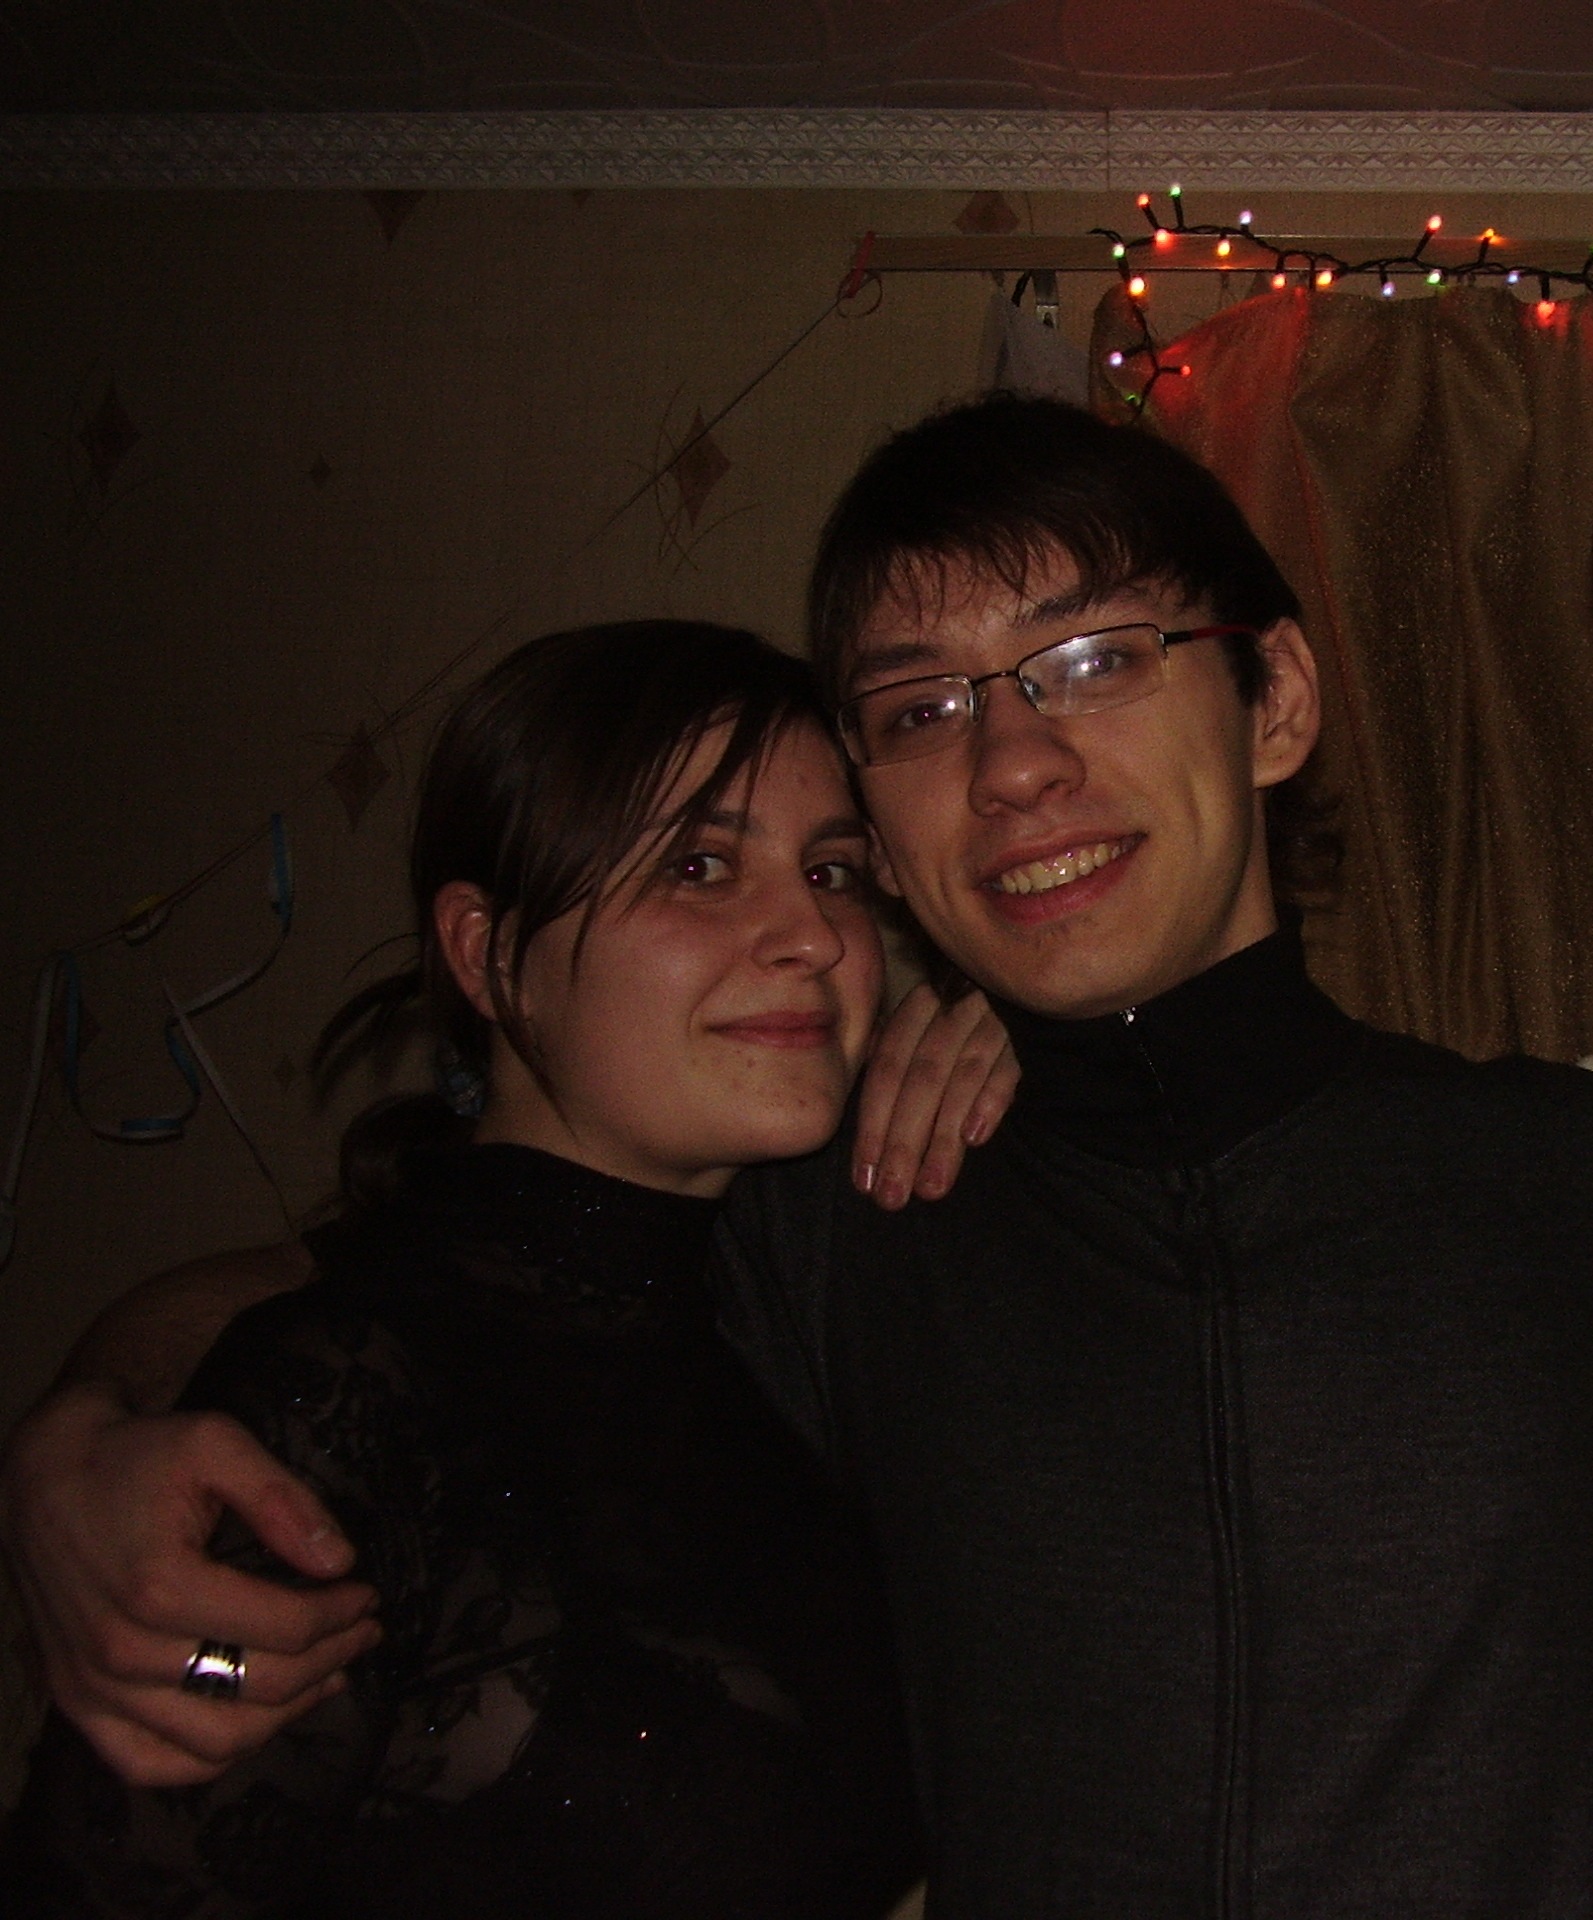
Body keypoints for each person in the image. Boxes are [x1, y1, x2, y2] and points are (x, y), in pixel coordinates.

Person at [11, 394, 1593, 1918]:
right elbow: (395, 1298)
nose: (1012, 764)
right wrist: (84, 1434)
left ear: (1277, 702)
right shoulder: (845, 1215)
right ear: (888, 836)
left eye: (1095, 659)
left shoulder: (1548, 1181)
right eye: (921, 712)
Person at [1, 617, 1015, 1917]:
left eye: (832, 872)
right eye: (701, 866)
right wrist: (74, 1436)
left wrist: (1042, 1035)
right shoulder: (348, 1402)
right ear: (487, 953)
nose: (811, 935)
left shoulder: (795, 1322)